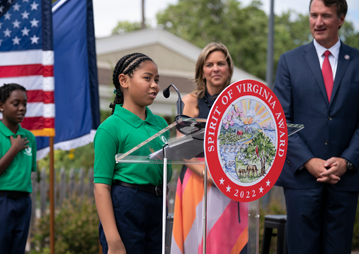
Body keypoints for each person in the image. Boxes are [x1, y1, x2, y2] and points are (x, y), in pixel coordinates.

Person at [273, 0, 359, 253]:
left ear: (341, 18)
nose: (318, 22)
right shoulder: (289, 62)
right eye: (313, 15)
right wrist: (308, 161)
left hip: (344, 180)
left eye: (326, 15)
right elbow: (281, 119)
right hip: (302, 179)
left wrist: (347, 161)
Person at [171, 43, 248, 254]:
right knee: (197, 243)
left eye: (221, 64)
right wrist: (210, 175)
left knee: (225, 244)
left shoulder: (240, 103)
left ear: (229, 69)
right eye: (209, 64)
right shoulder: (189, 102)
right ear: (202, 71)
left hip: (231, 182)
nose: (215, 68)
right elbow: (181, 149)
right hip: (197, 180)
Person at [93, 53, 172, 254]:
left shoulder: (161, 125)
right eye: (147, 78)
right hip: (126, 206)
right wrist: (113, 241)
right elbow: (101, 187)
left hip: (158, 206)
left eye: (157, 80)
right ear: (124, 80)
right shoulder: (110, 128)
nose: (154, 85)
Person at [0, 83, 37, 254]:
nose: (22, 108)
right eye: (15, 103)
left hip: (23, 203)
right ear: (1, 105)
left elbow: (22, 173)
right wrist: (14, 149)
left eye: (25, 104)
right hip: (0, 203)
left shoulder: (29, 137)